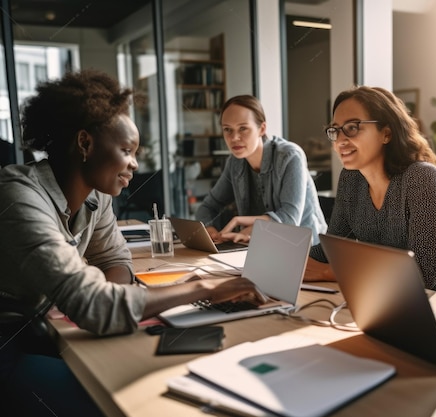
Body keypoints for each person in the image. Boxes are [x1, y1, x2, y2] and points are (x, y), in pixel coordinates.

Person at [0, 69, 267, 416]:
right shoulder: (19, 196)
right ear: (85, 144)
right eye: (126, 149)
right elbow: (95, 305)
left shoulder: (97, 196)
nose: (135, 163)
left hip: (39, 329)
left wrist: (109, 305)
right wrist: (205, 288)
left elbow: (114, 259)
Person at [306, 86, 436, 291]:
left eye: (352, 127)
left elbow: (423, 274)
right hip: (390, 295)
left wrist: (328, 272)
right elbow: (330, 249)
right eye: (335, 130)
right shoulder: (351, 179)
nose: (340, 140)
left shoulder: (422, 179)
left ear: (386, 133)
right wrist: (287, 258)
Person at [195, 95, 327, 244]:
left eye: (243, 128)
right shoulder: (235, 162)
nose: (234, 138)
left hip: (306, 251)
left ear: (262, 129)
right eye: (227, 130)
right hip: (260, 247)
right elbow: (208, 207)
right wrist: (209, 229)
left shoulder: (290, 156)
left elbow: (289, 220)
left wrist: (242, 223)